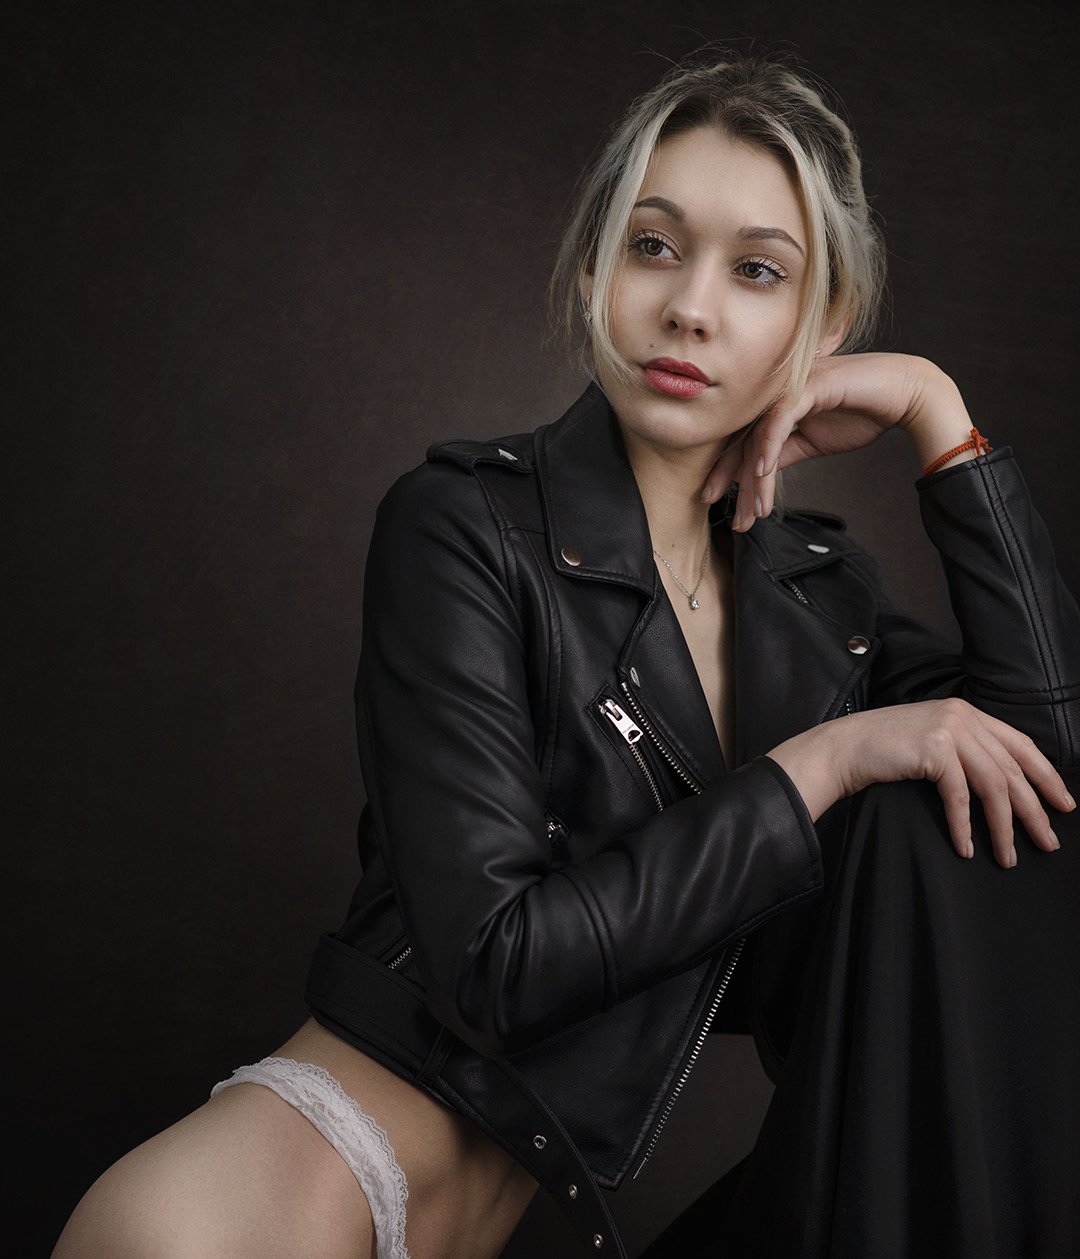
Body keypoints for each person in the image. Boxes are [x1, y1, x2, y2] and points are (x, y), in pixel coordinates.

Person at [52, 50, 1080, 1259]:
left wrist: (938, 415)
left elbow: (1040, 772)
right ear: (595, 267)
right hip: (264, 1205)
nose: (690, 306)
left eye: (757, 270)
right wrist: (824, 761)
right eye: (653, 246)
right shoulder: (461, 529)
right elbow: (500, 965)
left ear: (821, 325)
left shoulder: (817, 603)